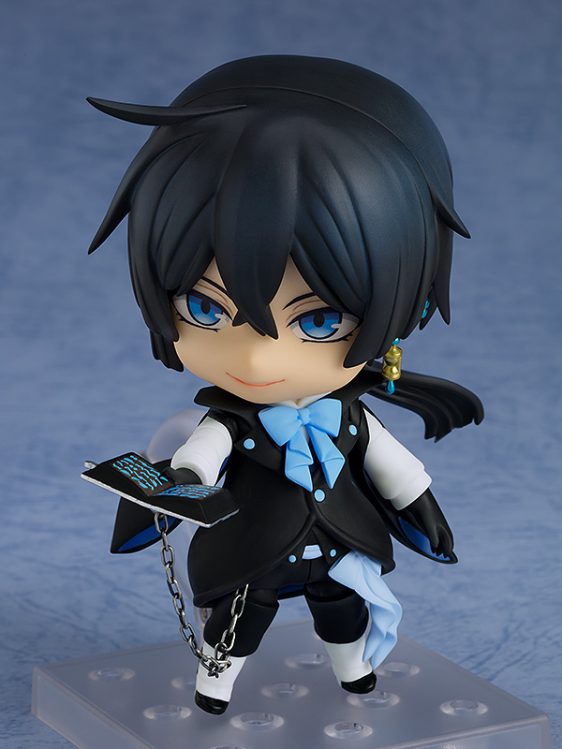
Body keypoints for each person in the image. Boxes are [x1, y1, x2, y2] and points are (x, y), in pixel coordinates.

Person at [87, 55, 483, 714]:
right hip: (253, 547)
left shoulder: (351, 418)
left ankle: (355, 672)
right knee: (241, 617)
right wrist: (175, 484)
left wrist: (421, 508)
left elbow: (393, 465)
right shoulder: (232, 423)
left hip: (341, 540)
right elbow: (197, 461)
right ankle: (216, 684)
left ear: (404, 308)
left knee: (344, 607)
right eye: (206, 308)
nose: (257, 357)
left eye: (318, 320)